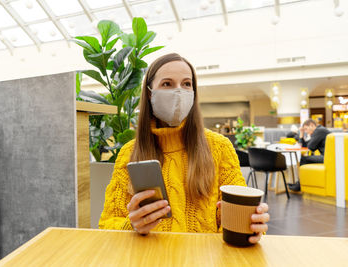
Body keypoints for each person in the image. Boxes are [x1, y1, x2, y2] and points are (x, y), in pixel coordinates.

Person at [99, 53, 269, 244]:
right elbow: (107, 225)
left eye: (187, 84)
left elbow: (237, 222)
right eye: (167, 84)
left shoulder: (220, 148)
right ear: (149, 92)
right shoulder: (129, 154)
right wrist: (132, 225)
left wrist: (251, 227)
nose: (179, 92)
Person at [288, 119, 331, 191]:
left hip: (327, 158)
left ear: (312, 125)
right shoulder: (319, 130)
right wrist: (301, 133)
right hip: (328, 157)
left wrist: (306, 138)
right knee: (304, 158)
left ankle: (300, 184)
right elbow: (305, 146)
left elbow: (310, 147)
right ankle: (299, 183)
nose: (306, 132)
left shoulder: (319, 131)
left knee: (303, 159)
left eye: (306, 129)